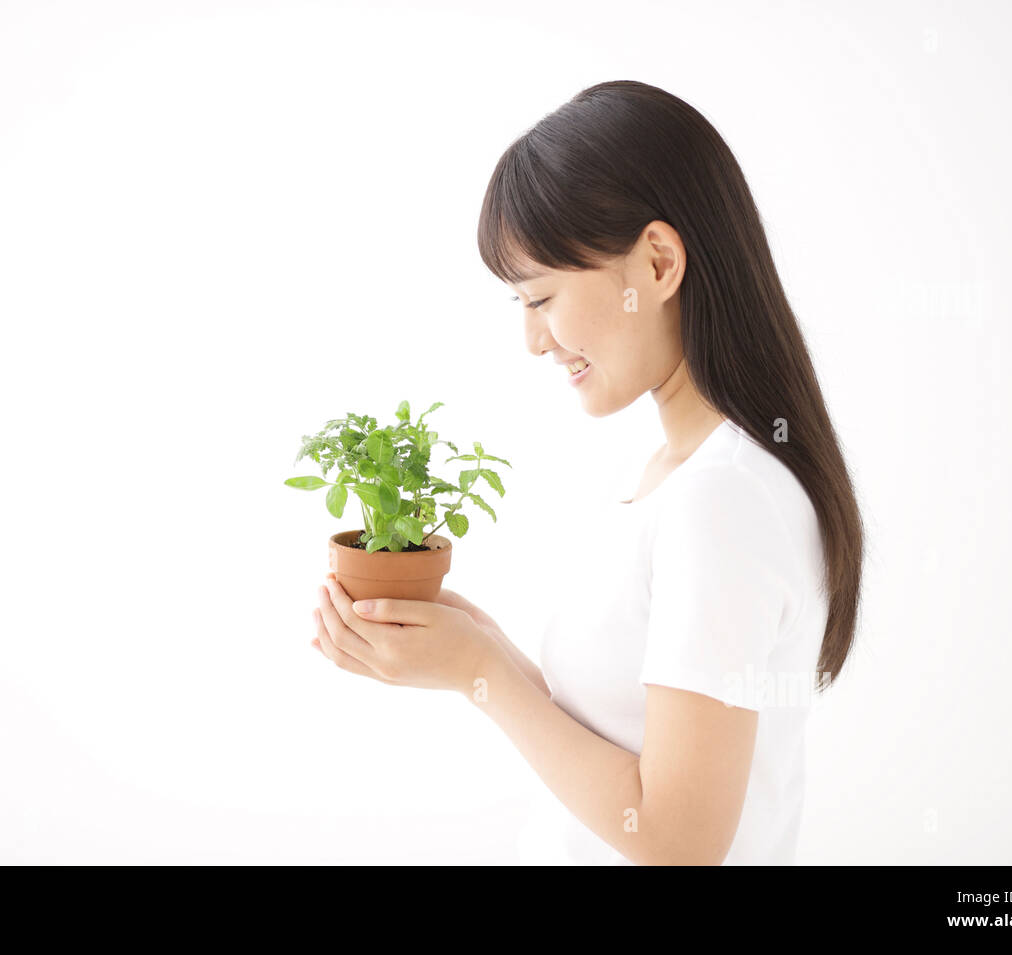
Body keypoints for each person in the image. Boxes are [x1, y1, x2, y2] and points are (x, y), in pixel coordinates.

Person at [310, 80, 865, 865]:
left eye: (541, 297)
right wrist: (479, 649)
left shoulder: (723, 498)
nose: (535, 341)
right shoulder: (688, 475)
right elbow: (630, 743)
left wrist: (480, 671)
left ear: (660, 261)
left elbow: (677, 837)